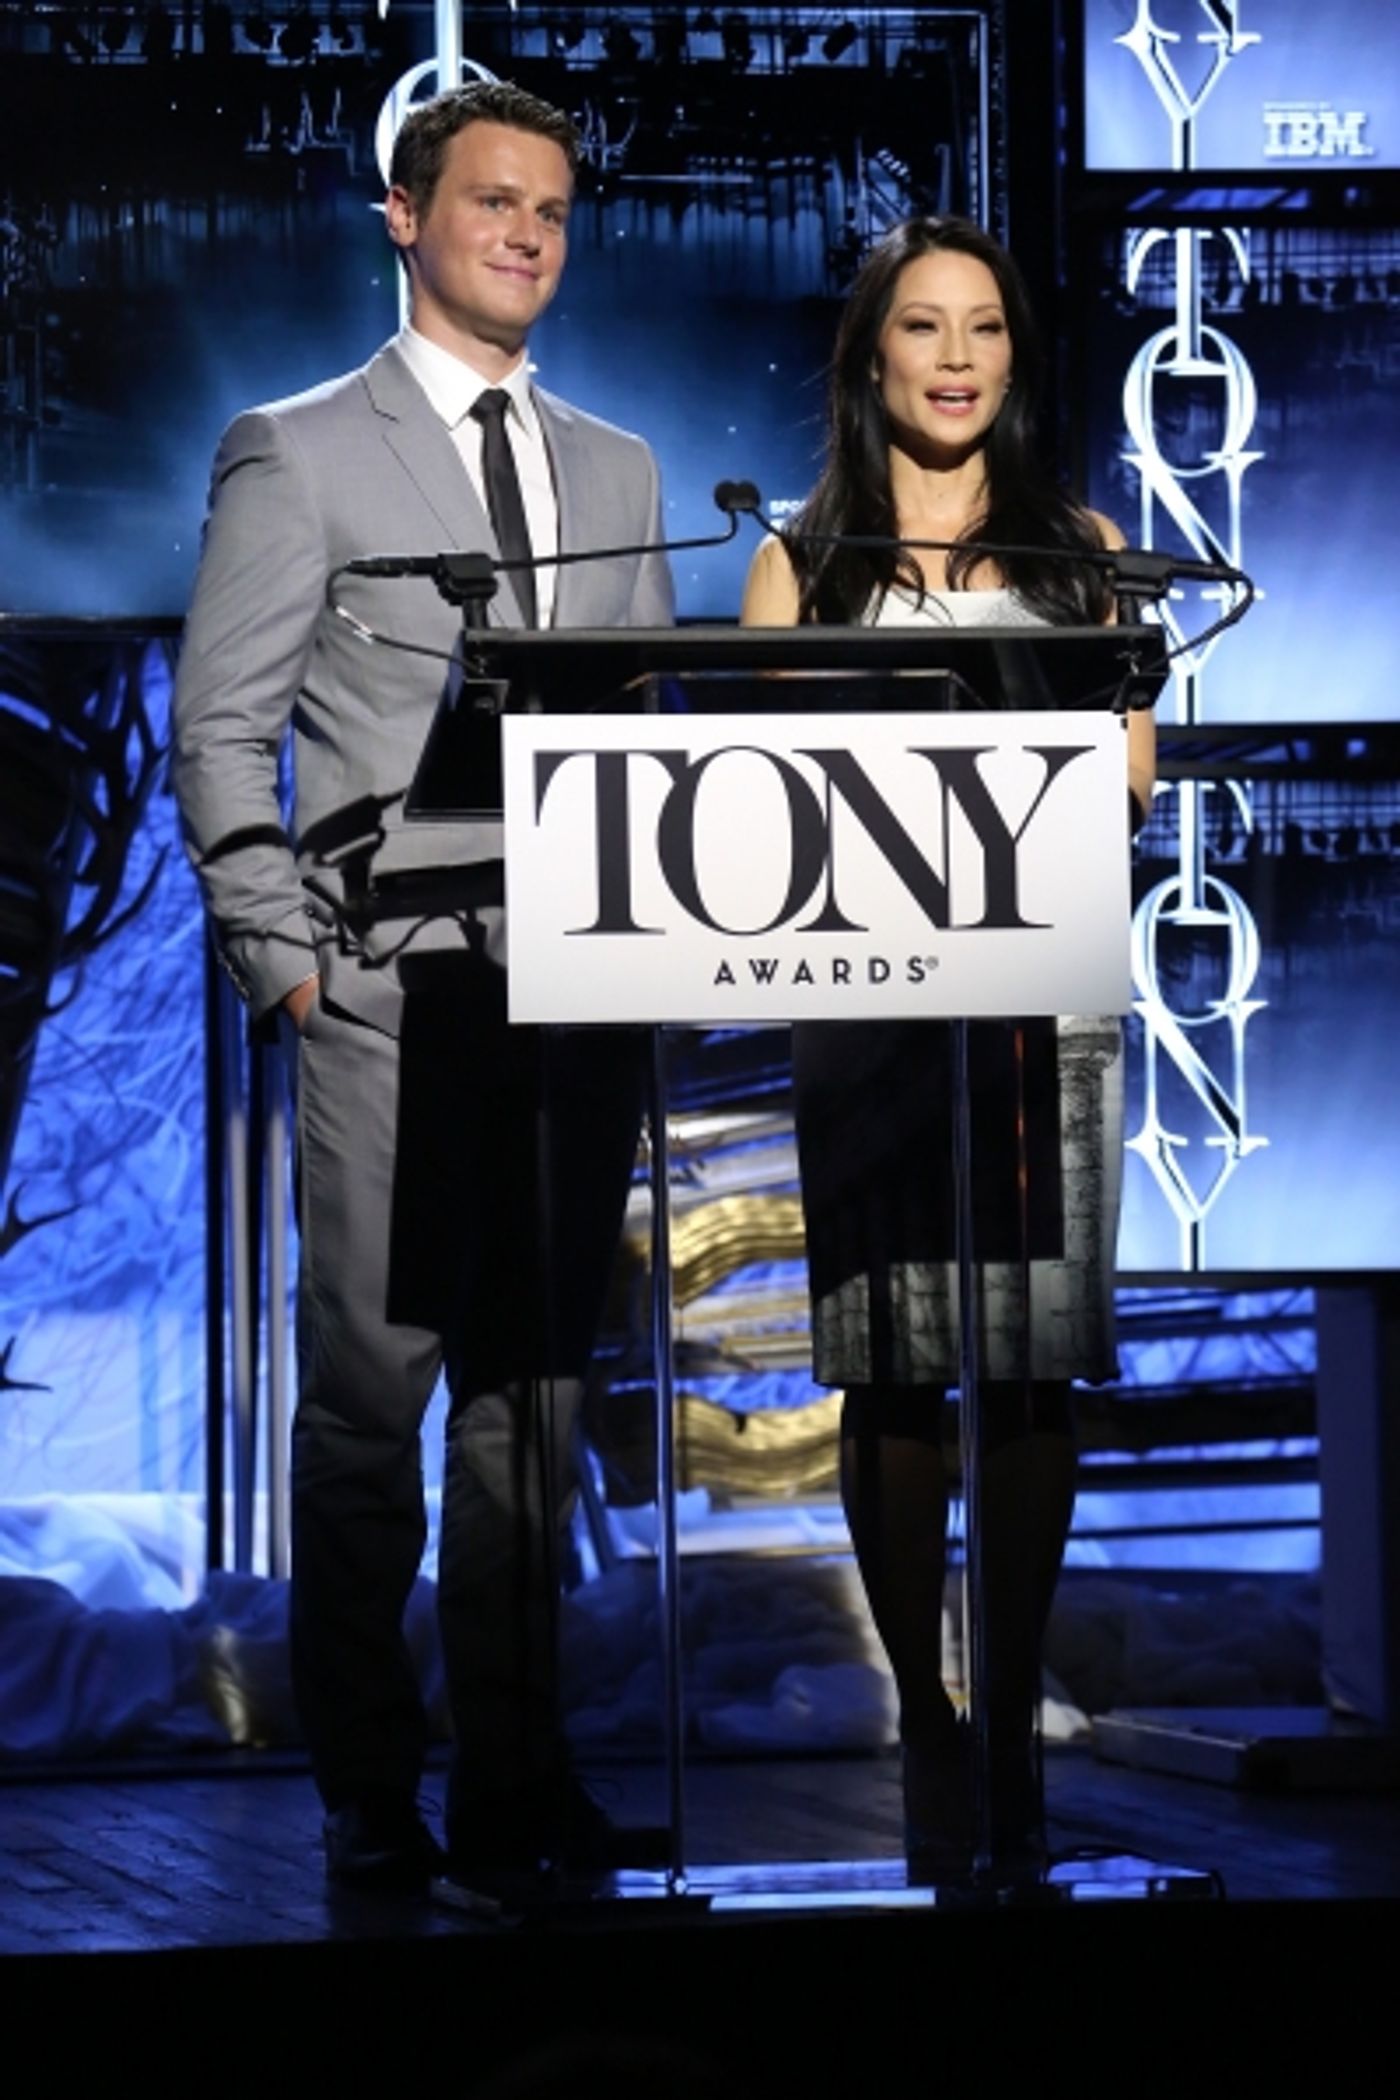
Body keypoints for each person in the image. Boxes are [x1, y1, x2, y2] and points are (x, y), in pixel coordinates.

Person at [172, 80, 673, 1894]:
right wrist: (283, 963)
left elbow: (640, 755)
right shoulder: (295, 448)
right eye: (490, 202)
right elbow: (222, 727)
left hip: (572, 1004)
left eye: (550, 207)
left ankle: (519, 1779)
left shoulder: (618, 468)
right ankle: (369, 1782)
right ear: (406, 218)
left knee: (534, 1406)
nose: (527, 232)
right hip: (386, 998)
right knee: (373, 1404)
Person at [741, 215, 1154, 1878]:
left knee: (1030, 1359)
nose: (961, 357)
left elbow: (1129, 782)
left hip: (1038, 999)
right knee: (896, 1364)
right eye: (926, 327)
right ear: (872, 359)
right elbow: (754, 816)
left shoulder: (1089, 547)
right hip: (867, 1002)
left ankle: (1015, 1693)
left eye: (987, 327)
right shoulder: (800, 561)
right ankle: (926, 1707)